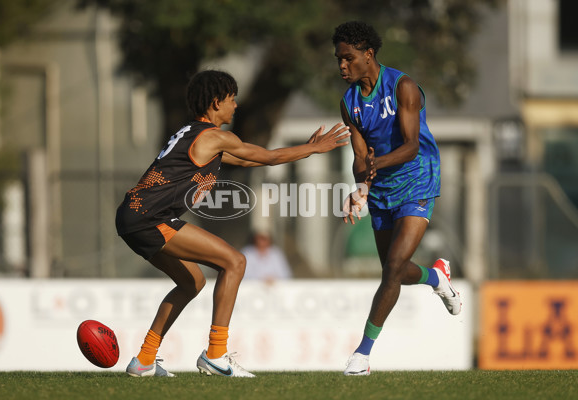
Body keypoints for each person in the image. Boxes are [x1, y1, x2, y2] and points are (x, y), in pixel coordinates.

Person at [115, 70, 350, 378]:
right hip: (149, 218)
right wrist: (315, 149)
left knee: (192, 282)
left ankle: (144, 359)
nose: (236, 106)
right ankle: (215, 354)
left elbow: (252, 159)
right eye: (231, 99)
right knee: (235, 261)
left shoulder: (195, 135)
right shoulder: (214, 136)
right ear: (216, 102)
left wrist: (303, 150)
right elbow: (267, 156)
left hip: (133, 216)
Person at [332, 21, 461, 376]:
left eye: (348, 58)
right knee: (394, 268)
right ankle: (437, 278)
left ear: (368, 55)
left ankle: (361, 355)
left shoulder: (403, 87)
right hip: (382, 188)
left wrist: (374, 165)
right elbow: (359, 157)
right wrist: (360, 188)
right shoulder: (349, 102)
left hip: (418, 178)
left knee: (391, 268)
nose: (342, 66)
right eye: (338, 60)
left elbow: (410, 146)